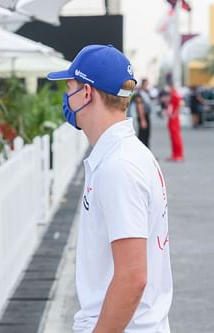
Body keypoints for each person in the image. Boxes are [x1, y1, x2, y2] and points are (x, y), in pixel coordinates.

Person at [46, 45, 172, 332]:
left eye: (70, 87)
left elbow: (132, 277)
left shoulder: (119, 166)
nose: (67, 97)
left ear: (86, 93)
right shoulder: (125, 155)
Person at [164, 74, 184, 161]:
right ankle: (175, 154)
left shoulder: (174, 93)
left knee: (176, 136)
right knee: (172, 137)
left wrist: (175, 114)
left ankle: (179, 155)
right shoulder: (172, 93)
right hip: (171, 117)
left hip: (174, 118)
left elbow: (180, 104)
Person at [134, 78, 153, 147]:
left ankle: (147, 152)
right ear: (143, 84)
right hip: (143, 116)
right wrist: (143, 120)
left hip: (146, 116)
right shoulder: (139, 94)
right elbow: (140, 107)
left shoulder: (146, 92)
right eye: (146, 84)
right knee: (142, 136)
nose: (146, 86)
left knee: (147, 135)